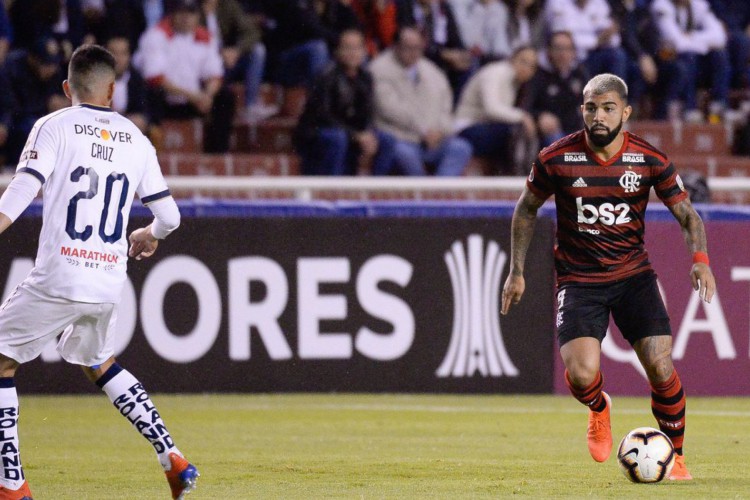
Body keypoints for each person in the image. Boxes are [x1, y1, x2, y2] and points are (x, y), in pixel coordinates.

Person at [0, 44, 198, 498]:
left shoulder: (53, 126)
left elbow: (21, 191)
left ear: (68, 87)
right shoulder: (135, 137)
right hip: (108, 279)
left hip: (60, 276)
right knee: (98, 362)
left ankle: (12, 486)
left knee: (1, 361)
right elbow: (170, 218)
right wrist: (148, 235)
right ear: (113, 89)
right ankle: (174, 460)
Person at [501, 73, 716, 481]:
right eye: (591, 107)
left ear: (626, 112)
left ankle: (678, 455)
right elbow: (526, 208)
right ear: (582, 109)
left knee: (660, 365)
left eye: (608, 108)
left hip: (634, 276)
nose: (598, 116)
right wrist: (517, 271)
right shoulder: (555, 158)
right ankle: (600, 407)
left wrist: (700, 259)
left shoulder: (648, 159)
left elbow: (688, 215)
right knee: (581, 375)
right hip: (579, 280)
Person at [134, 0, 235, 153]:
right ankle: (150, 152)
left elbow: (215, 74)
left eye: (191, 13)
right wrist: (193, 96)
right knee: (150, 93)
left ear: (197, 16)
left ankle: (217, 154)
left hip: (193, 101)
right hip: (165, 99)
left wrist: (207, 95)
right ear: (173, 14)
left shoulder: (205, 37)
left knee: (225, 97)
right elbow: (155, 78)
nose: (186, 18)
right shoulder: (156, 35)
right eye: (181, 13)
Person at [369, 26, 472, 176]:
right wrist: (423, 130)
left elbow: (445, 107)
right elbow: (389, 109)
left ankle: (441, 193)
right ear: (395, 46)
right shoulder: (378, 70)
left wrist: (440, 131)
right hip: (401, 137)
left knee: (460, 147)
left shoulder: (432, 71)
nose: (414, 52)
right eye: (408, 47)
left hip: (434, 139)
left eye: (418, 47)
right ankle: (422, 193)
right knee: (404, 153)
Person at [294, 29, 397, 176]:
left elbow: (367, 112)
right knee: (338, 138)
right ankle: (334, 188)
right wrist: (355, 135)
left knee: (387, 140)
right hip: (320, 133)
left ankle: (375, 190)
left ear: (363, 51)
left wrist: (366, 132)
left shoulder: (365, 77)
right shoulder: (325, 75)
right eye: (347, 48)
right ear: (338, 51)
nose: (352, 53)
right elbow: (323, 116)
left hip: (350, 132)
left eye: (357, 48)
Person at [454, 45, 538, 174]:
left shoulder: (516, 84)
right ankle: (515, 176)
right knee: (512, 131)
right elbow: (491, 109)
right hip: (467, 127)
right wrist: (523, 117)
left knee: (518, 132)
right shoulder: (495, 72)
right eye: (523, 61)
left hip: (488, 128)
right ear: (512, 59)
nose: (526, 68)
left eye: (531, 66)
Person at [523, 31, 588, 147]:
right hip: (551, 133)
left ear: (573, 52)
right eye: (558, 48)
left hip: (577, 130)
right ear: (549, 51)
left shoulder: (580, 75)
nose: (562, 54)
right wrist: (540, 116)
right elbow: (526, 107)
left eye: (567, 49)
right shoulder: (539, 76)